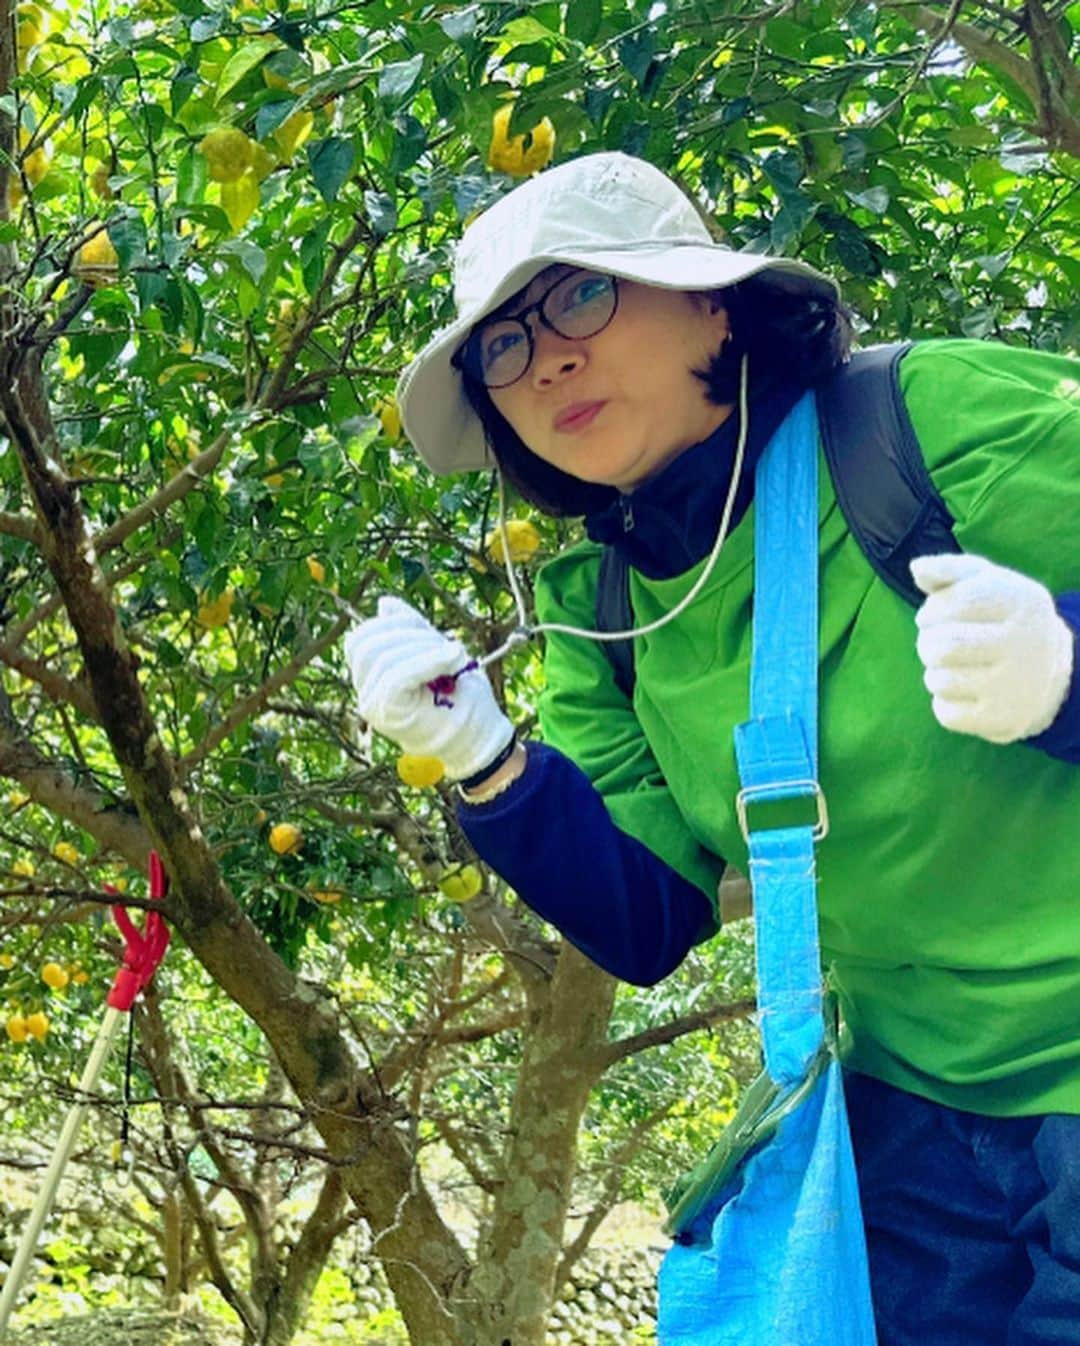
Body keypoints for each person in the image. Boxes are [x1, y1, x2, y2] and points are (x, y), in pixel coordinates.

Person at [344, 151, 1080, 1345]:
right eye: (504, 348)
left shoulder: (924, 425)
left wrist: (1065, 672)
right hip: (919, 1110)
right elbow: (650, 914)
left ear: (712, 300)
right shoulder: (609, 607)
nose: (551, 360)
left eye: (582, 294)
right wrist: (485, 762)